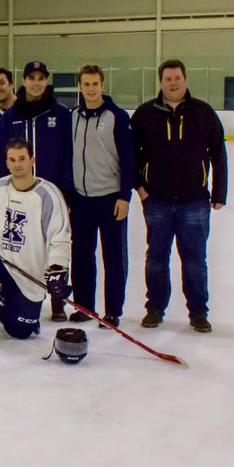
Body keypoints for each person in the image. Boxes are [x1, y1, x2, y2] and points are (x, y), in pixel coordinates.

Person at [133, 59, 227, 333]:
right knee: (156, 258)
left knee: (195, 259)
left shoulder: (203, 113)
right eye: (167, 79)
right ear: (160, 82)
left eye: (177, 78)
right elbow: (131, 155)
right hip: (157, 200)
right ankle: (155, 308)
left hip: (194, 202)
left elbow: (218, 154)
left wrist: (219, 191)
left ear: (185, 79)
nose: (172, 83)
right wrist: (140, 187)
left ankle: (198, 312)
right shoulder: (145, 114)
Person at [0, 138, 71, 340]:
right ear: (6, 162)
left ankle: (6, 307)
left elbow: (59, 237)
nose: (17, 164)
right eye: (12, 160)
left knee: (19, 331)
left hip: (27, 273)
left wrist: (56, 268)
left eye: (22, 159)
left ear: (32, 160)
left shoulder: (48, 195)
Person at [70, 64, 135, 328]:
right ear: (80, 86)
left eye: (95, 83)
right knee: (82, 255)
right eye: (86, 84)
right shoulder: (73, 116)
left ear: (103, 85)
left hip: (110, 198)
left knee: (113, 257)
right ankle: (84, 306)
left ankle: (112, 310)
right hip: (81, 199)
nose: (91, 89)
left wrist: (125, 196)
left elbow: (129, 158)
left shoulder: (116, 116)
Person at [0, 61, 73, 197]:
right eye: (31, 78)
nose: (36, 83)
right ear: (24, 81)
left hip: (53, 192)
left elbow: (68, 154)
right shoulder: (10, 116)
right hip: (17, 191)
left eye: (41, 79)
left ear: (46, 82)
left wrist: (66, 191)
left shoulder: (61, 114)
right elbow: (3, 155)